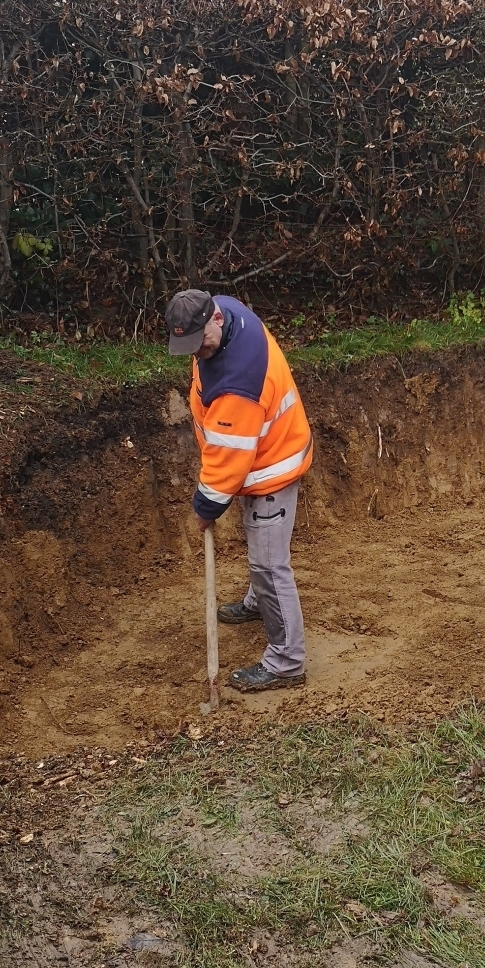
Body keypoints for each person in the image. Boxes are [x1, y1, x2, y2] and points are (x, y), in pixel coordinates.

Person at [165, 289, 313, 692]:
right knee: (260, 545)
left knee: (268, 564)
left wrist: (204, 508)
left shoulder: (238, 382)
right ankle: (256, 604)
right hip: (259, 449)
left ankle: (287, 661)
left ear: (214, 319)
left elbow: (228, 463)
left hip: (270, 467)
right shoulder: (226, 309)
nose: (199, 354)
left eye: (202, 344)